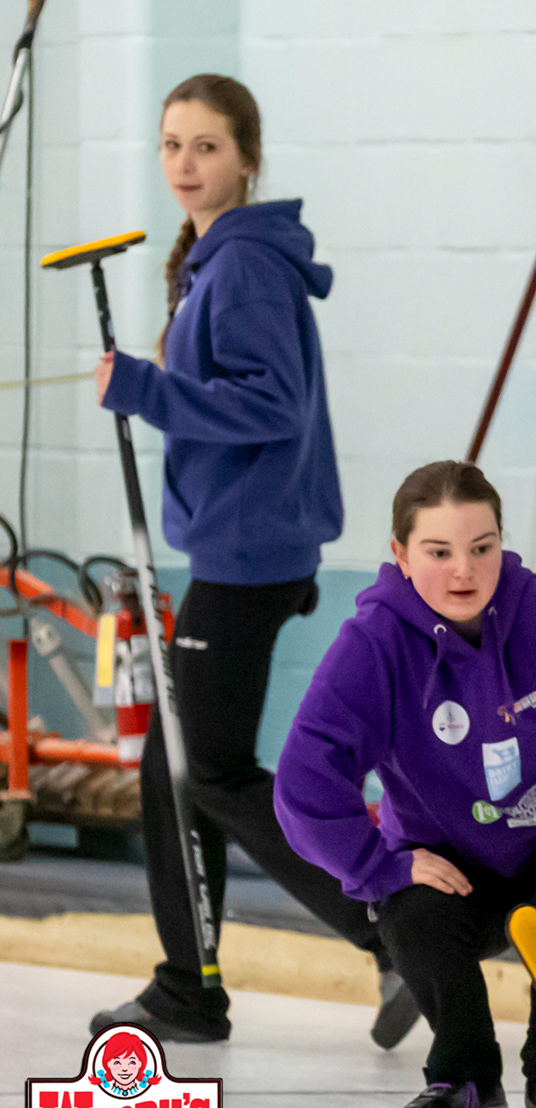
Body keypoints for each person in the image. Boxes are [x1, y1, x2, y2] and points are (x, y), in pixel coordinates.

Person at [84, 74, 415, 1048]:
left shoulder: (244, 267)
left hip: (247, 553)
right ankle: (195, 983)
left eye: (207, 146)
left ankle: (387, 926)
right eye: (172, 145)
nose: (186, 164)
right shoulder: (217, 261)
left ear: (248, 159)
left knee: (202, 770)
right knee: (184, 769)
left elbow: (271, 404)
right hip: (239, 547)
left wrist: (145, 389)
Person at [272, 462, 536, 1108]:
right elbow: (303, 780)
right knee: (410, 912)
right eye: (438, 552)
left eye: (481, 547)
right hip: (451, 864)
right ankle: (464, 1076)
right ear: (401, 555)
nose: (464, 571)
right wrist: (378, 866)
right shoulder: (373, 647)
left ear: (500, 543)